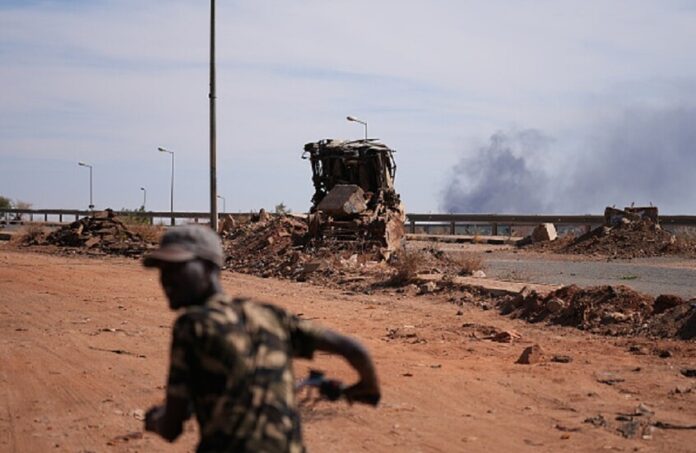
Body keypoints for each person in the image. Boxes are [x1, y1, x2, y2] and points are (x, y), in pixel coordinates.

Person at [142, 225, 380, 452]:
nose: (166, 279)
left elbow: (171, 428)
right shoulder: (269, 315)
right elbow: (354, 350)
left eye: (176, 269)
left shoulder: (193, 324)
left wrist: (154, 420)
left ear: (208, 267)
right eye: (162, 270)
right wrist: (367, 388)